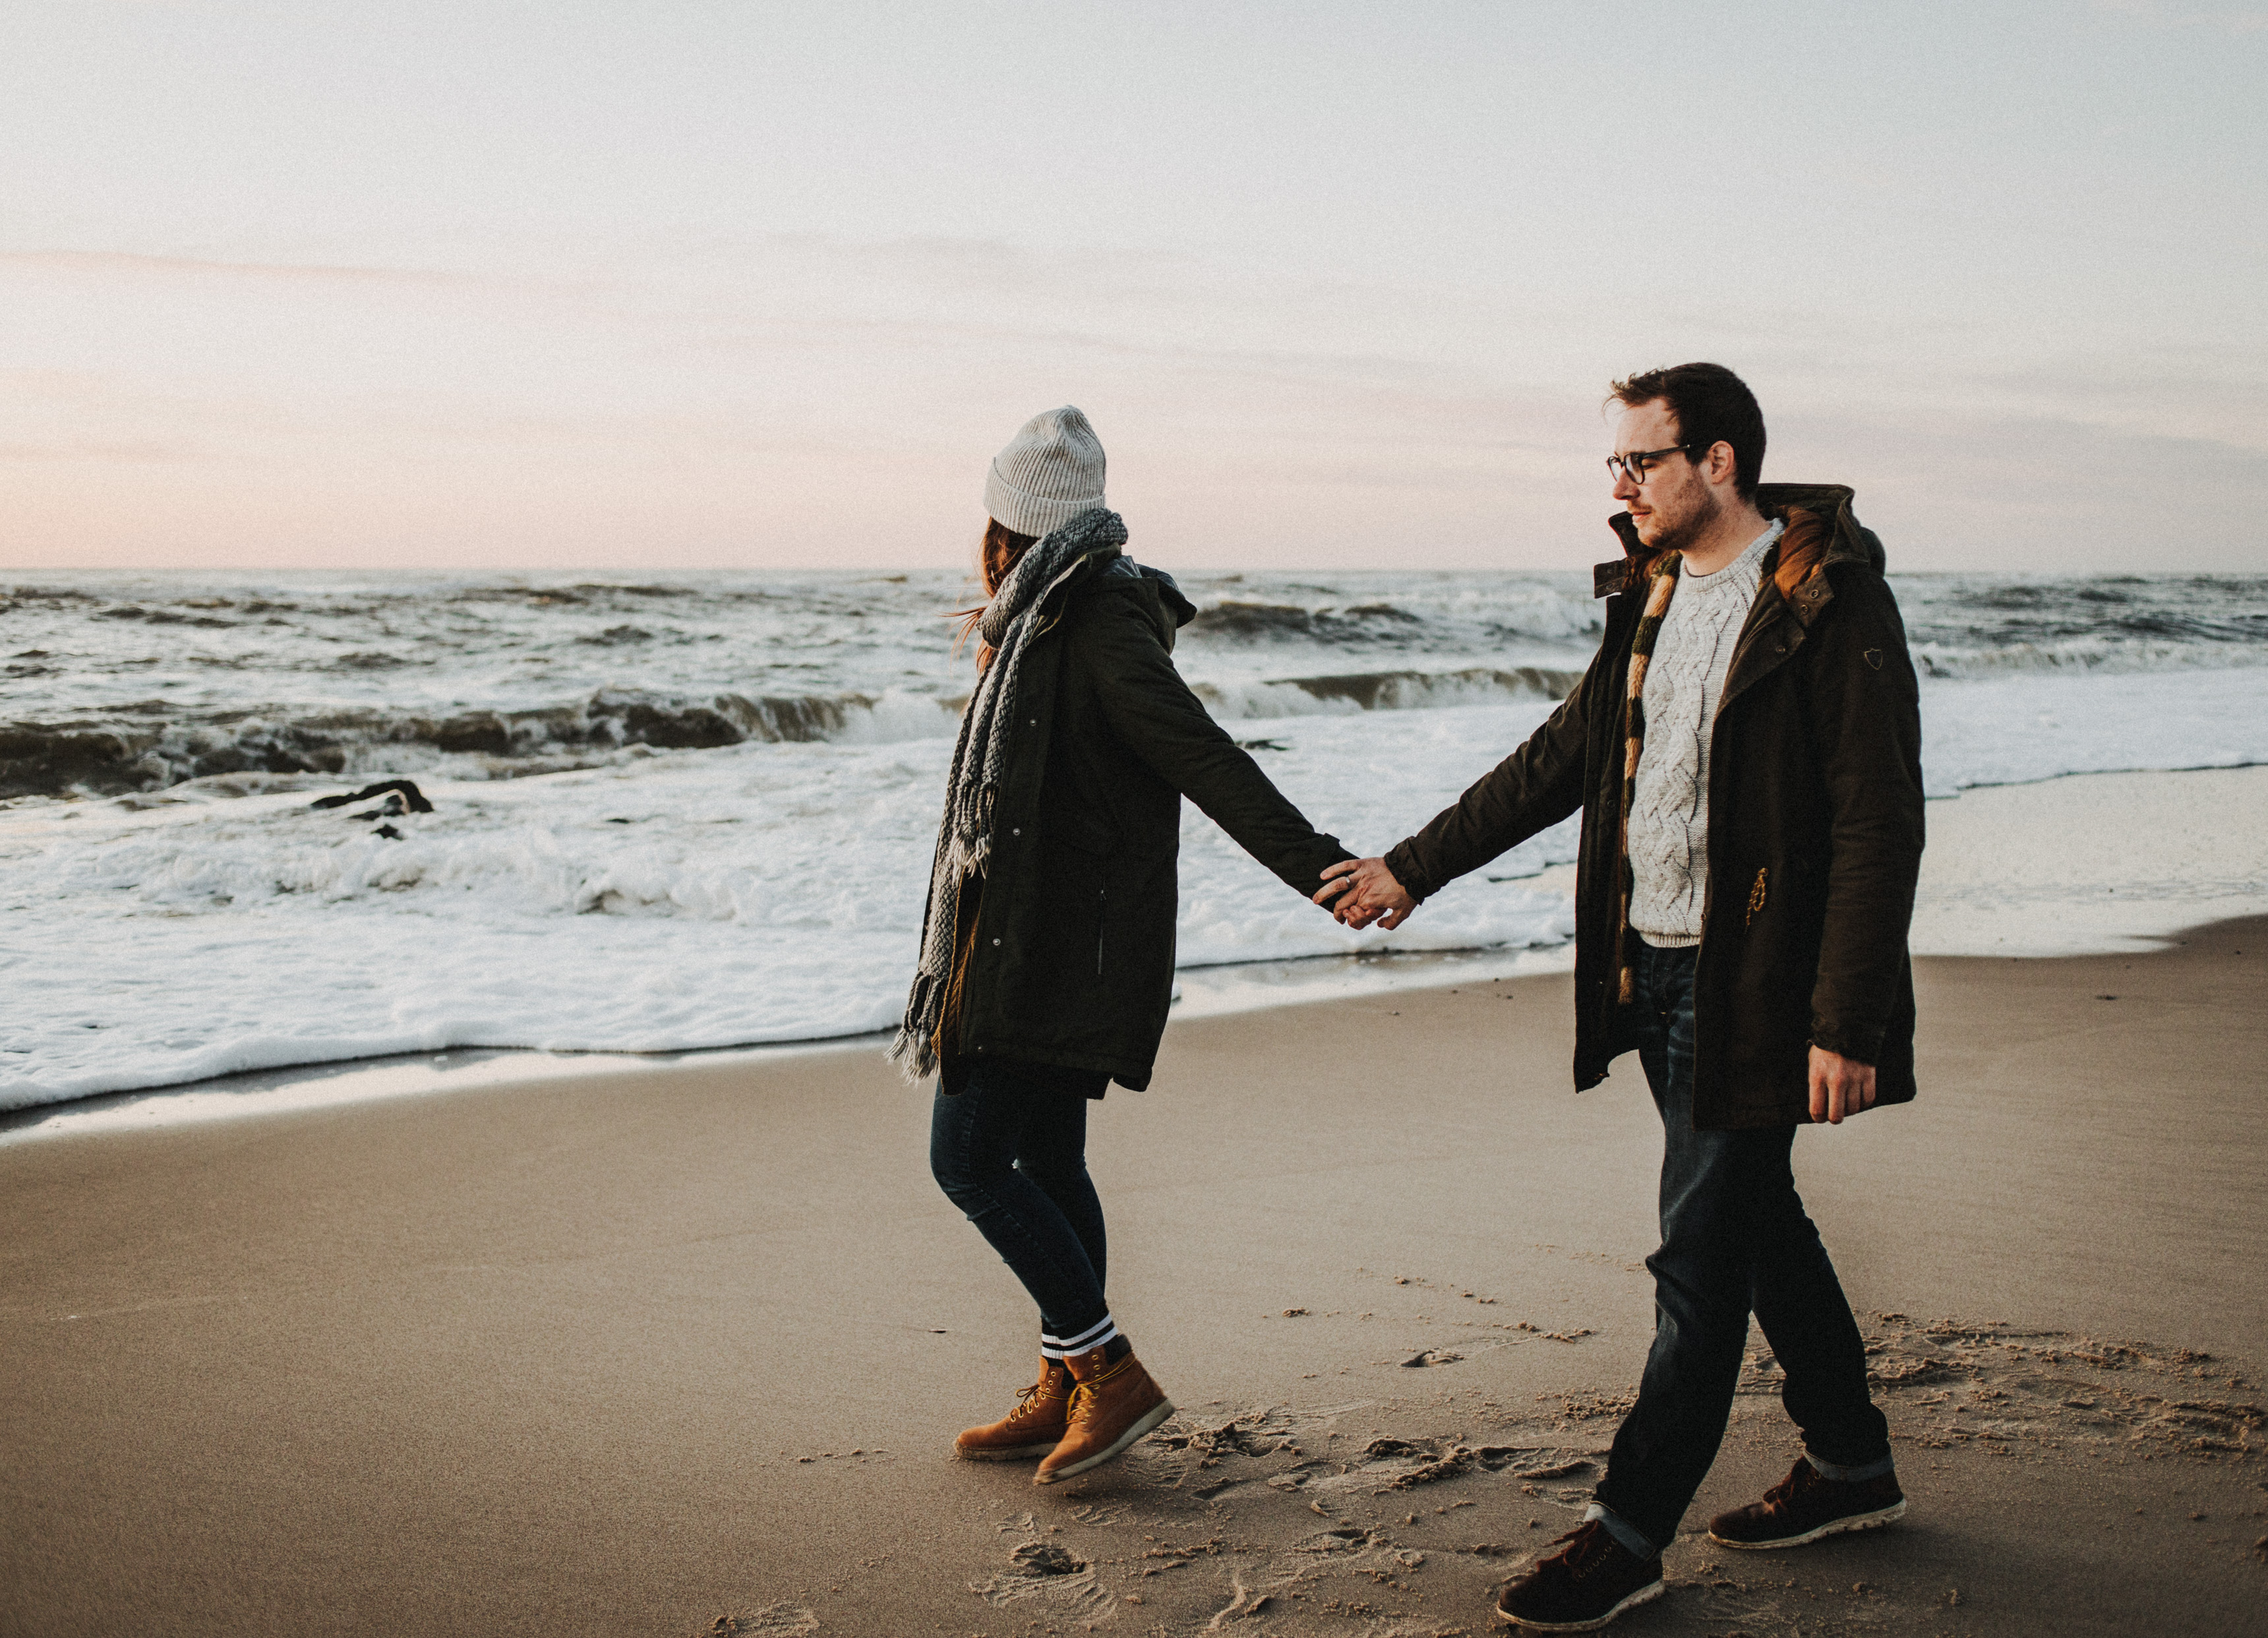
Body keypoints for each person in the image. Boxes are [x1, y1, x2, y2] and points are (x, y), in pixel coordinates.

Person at [1317, 363, 1924, 1631]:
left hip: (1759, 986)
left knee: (1700, 1259)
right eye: (1615, 465)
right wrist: (1410, 872)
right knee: (1755, 1225)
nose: (1619, 485)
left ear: (1717, 461)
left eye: (1640, 462)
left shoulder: (1826, 602)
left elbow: (1879, 823)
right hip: (1653, 966)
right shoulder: (1650, 597)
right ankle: (1851, 1460)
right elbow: (1564, 758)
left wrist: (1844, 1023)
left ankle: (1627, 1531)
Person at [897, 406, 1353, 1486]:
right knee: (1049, 1161)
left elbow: (1202, 754)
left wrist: (1321, 868)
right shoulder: (1052, 616)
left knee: (964, 1160)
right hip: (1037, 938)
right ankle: (1066, 1378)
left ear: (1006, 522)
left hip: (1050, 952)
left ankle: (1108, 1369)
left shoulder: (1095, 621)